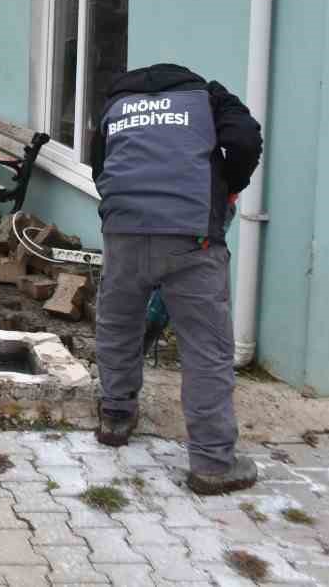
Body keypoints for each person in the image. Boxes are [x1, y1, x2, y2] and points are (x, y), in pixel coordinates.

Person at [89, 63, 263, 495]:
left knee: (118, 324)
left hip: (124, 231)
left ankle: (115, 416)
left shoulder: (116, 106)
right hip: (192, 237)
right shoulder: (208, 97)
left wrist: (125, 206)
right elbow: (245, 139)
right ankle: (212, 463)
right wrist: (229, 186)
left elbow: (99, 165)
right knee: (206, 347)